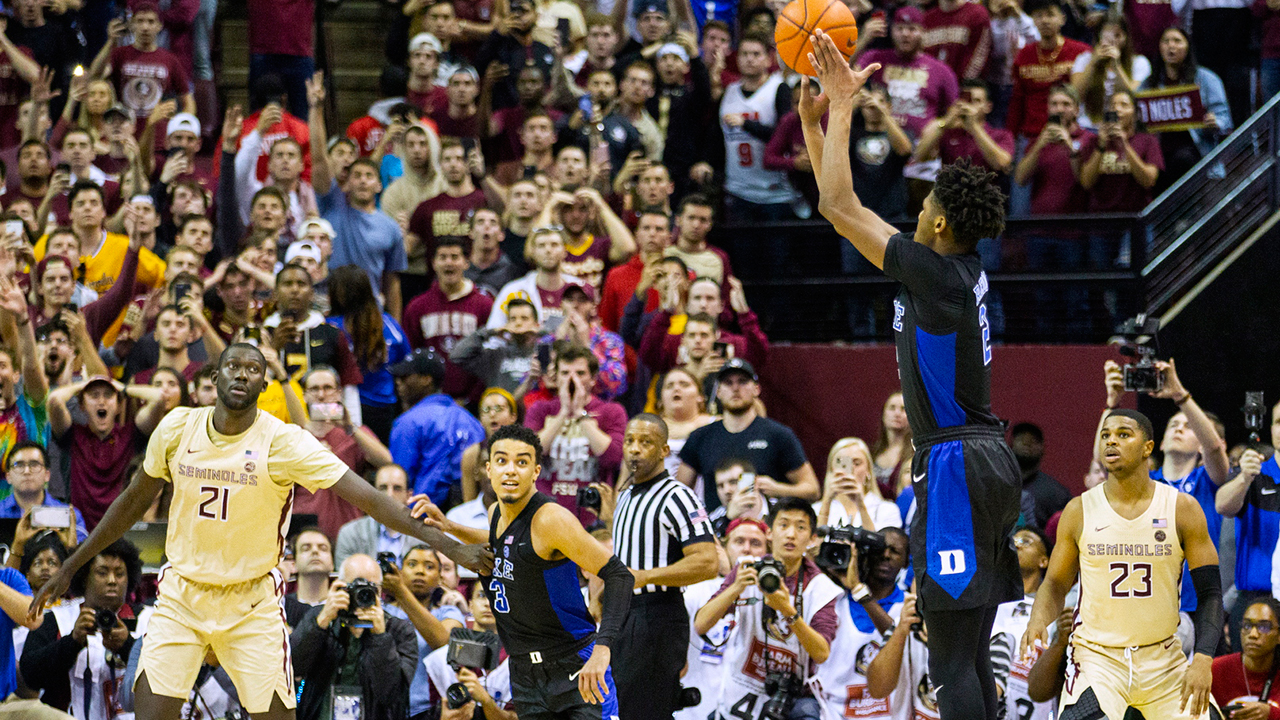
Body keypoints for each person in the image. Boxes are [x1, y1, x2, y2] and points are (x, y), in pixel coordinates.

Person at [28, 343, 492, 720]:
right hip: (181, 597)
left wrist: (452, 547)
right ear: (215, 376)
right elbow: (130, 501)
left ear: (264, 383)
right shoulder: (177, 427)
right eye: (234, 365)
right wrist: (72, 564)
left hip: (251, 604)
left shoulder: (284, 440)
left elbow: (369, 498)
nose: (243, 374)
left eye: (254, 368)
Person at [803, 32, 1022, 720]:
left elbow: (843, 210)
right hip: (983, 456)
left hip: (956, 460)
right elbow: (841, 209)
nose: (916, 206)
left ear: (941, 223)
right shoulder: (955, 271)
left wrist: (842, 106)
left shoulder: (931, 274)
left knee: (952, 655)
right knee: (969, 649)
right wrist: (816, 129)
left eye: (927, 202)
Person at [414, 423, 635, 720]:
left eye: (522, 462)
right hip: (525, 674)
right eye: (502, 461)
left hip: (574, 665)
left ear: (535, 472)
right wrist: (451, 526)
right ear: (488, 469)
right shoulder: (496, 516)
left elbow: (620, 575)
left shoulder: (551, 520)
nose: (511, 470)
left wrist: (603, 648)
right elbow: (502, 541)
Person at [1020, 409, 1222, 720]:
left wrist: (1203, 659)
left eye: (1123, 434)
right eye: (1105, 435)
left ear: (1147, 448)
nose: (1111, 441)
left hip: (1163, 657)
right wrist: (1038, 619)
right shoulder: (1079, 510)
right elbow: (1057, 583)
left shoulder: (1182, 508)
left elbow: (1211, 593)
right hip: (1098, 658)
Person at [693, 497, 843, 720]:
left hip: (795, 695)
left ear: (812, 538)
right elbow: (701, 624)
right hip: (745, 684)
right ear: (770, 533)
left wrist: (788, 611)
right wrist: (735, 588)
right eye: (783, 525)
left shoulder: (821, 588)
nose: (791, 534)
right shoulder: (747, 569)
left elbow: (821, 653)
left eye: (800, 527)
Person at [609, 414, 718, 720]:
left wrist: (646, 577)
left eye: (646, 442)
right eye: (630, 441)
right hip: (625, 613)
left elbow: (707, 561)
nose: (635, 449)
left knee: (646, 710)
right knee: (623, 708)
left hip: (658, 614)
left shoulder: (678, 496)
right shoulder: (626, 496)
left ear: (665, 451)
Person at [308, 73, 407, 321]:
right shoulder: (333, 203)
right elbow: (319, 159)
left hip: (371, 314)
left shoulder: (390, 227)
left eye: (369, 176)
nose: (363, 180)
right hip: (328, 310)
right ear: (348, 183)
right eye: (357, 176)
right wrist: (316, 109)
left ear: (378, 185)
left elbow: (392, 283)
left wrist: (395, 324)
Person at [21, 538, 148, 717]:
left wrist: (128, 646)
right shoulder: (57, 618)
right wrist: (72, 642)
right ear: (84, 576)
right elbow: (30, 676)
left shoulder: (148, 619)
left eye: (119, 574)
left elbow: (168, 677)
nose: (112, 580)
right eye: (102, 573)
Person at [678, 359, 819, 510]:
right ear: (718, 391)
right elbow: (679, 493)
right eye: (728, 383)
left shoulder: (778, 435)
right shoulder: (700, 437)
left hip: (764, 529)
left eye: (743, 382)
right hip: (716, 530)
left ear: (756, 389)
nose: (735, 388)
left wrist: (778, 489)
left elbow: (812, 490)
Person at [290, 553, 419, 720]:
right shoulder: (319, 617)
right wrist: (322, 622)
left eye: (371, 588)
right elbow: (294, 667)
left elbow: (392, 695)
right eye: (354, 586)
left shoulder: (399, 630)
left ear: (380, 591)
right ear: (339, 586)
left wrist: (379, 636)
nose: (362, 594)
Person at [814, 526, 911, 720]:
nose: (886, 555)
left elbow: (901, 640)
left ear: (905, 562)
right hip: (832, 712)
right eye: (880, 549)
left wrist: (860, 591)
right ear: (864, 553)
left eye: (895, 551)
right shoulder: (833, 599)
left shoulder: (908, 607)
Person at [524, 344, 627, 524]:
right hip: (544, 514)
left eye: (580, 373)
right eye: (565, 373)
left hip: (593, 518)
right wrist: (564, 412)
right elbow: (530, 454)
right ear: (555, 378)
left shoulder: (612, 411)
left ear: (593, 379)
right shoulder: (540, 410)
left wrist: (580, 413)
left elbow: (613, 457)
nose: (572, 380)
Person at [326, 265, 412, 443]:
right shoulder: (388, 324)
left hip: (342, 409)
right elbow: (406, 363)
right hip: (384, 407)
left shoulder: (329, 327)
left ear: (335, 293)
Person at [719, 33, 800, 222]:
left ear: (768, 59)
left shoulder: (779, 89)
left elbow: (785, 138)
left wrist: (746, 124)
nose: (749, 59)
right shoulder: (729, 91)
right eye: (745, 54)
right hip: (738, 190)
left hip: (775, 193)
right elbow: (717, 136)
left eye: (756, 54)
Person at [402, 238, 496, 400]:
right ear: (433, 263)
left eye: (454, 257)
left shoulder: (485, 306)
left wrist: (470, 399)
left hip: (474, 401)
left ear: (466, 262)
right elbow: (411, 354)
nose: (449, 263)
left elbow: (491, 358)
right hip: (429, 400)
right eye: (443, 257)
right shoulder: (417, 307)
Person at [1140, 27, 1232, 191]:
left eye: (1177, 41)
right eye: (1166, 41)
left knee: (1181, 161)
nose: (1171, 46)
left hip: (1195, 150)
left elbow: (1225, 120)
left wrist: (1214, 121)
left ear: (1188, 47)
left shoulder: (1206, 79)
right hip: (1157, 152)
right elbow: (1135, 114)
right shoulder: (1149, 83)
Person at [988, 527, 1054, 720]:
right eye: (1014, 540)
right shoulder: (988, 600)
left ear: (1044, 560)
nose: (1016, 544)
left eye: (1026, 541)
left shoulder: (1053, 609)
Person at [422, 581, 515, 720]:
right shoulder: (440, 659)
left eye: (496, 597)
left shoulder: (515, 661)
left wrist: (486, 701)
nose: (488, 603)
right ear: (470, 605)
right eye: (482, 595)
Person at [1005, 0, 1090, 144]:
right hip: (1032, 135)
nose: (1044, 21)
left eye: (1050, 15)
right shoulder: (1024, 55)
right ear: (1033, 20)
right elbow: (1017, 101)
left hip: (1071, 133)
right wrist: (1010, 137)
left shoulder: (1081, 52)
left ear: (1062, 18)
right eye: (1038, 16)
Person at [1079, 89, 1163, 214]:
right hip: (1101, 218)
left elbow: (1149, 181)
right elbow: (1086, 182)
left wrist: (1125, 145)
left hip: (1136, 218)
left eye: (1124, 105)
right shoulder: (1094, 142)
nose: (1117, 109)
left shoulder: (1148, 141)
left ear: (1135, 114)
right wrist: (1101, 146)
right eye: (1113, 105)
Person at [486, 226, 583, 331]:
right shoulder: (512, 292)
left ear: (565, 250)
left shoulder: (580, 288)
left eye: (554, 245)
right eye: (541, 246)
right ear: (532, 251)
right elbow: (493, 333)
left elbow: (594, 332)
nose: (548, 250)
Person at [334, 465, 426, 568]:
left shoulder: (423, 537)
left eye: (397, 488)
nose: (389, 495)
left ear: (408, 496)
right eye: (383, 488)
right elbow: (344, 578)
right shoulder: (351, 533)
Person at [1070, 17, 1151, 128]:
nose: (1112, 41)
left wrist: (1116, 65)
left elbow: (1134, 98)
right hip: (1088, 126)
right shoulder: (1084, 59)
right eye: (1106, 36)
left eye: (1117, 35)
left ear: (1126, 37)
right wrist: (1093, 63)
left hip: (1123, 127)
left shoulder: (1139, 62)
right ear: (1098, 36)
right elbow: (1075, 96)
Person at [0, 441, 87, 543]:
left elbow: (83, 555)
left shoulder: (69, 516)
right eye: (19, 465)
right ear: (8, 476)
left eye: (34, 464)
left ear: (47, 474)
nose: (27, 471)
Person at [450, 298, 540, 394]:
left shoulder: (544, 352)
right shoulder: (494, 356)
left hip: (536, 407)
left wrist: (541, 333)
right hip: (501, 407)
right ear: (506, 324)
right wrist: (490, 332)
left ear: (536, 324)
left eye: (524, 318)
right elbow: (456, 355)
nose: (518, 323)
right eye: (512, 319)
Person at [815, 437, 903, 531]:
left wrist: (860, 505)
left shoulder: (887, 510)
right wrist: (827, 501)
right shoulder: (815, 509)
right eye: (842, 464)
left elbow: (880, 545)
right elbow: (813, 543)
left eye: (857, 463)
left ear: (868, 471)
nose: (851, 469)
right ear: (831, 469)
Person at [1210, 598, 1280, 714]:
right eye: (1247, 626)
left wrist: (1271, 714)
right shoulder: (1215, 670)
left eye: (1264, 627)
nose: (1253, 634)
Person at [1010, 422, 1072, 529]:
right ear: (1011, 445)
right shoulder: (997, 485)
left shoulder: (1056, 493)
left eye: (1033, 441)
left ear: (1043, 448)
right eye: (1021, 439)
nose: (1026, 444)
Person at [285, 527, 334, 627]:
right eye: (306, 548)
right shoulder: (281, 607)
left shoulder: (343, 606)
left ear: (332, 563)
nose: (315, 551)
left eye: (323, 548)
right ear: (294, 564)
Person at [871, 392, 913, 500]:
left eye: (903, 409)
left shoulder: (915, 453)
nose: (897, 413)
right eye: (892, 408)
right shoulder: (872, 453)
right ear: (883, 415)